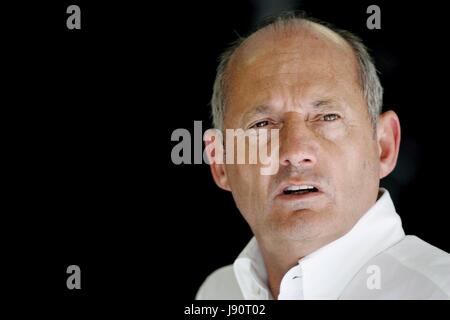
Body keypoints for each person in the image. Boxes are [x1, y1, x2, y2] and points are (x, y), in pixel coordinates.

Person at [196, 12, 450, 300]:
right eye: (262, 124)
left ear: (384, 145)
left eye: (327, 117)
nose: (294, 152)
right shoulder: (218, 294)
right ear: (220, 162)